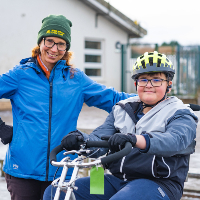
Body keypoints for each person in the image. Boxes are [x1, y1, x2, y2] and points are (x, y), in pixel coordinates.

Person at [0, 14, 136, 200]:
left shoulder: (75, 79)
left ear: (66, 48)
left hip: (62, 169)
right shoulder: (19, 75)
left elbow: (114, 98)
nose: (54, 49)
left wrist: (153, 97)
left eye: (61, 44)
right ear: (41, 42)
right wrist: (1, 128)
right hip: (22, 170)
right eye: (50, 41)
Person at [43, 51, 198, 200]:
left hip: (159, 183)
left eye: (156, 80)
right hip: (117, 180)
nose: (149, 85)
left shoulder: (180, 112)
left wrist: (135, 139)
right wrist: (80, 138)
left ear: (168, 85)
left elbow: (175, 141)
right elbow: (99, 138)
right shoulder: (122, 108)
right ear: (136, 83)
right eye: (143, 79)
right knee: (56, 191)